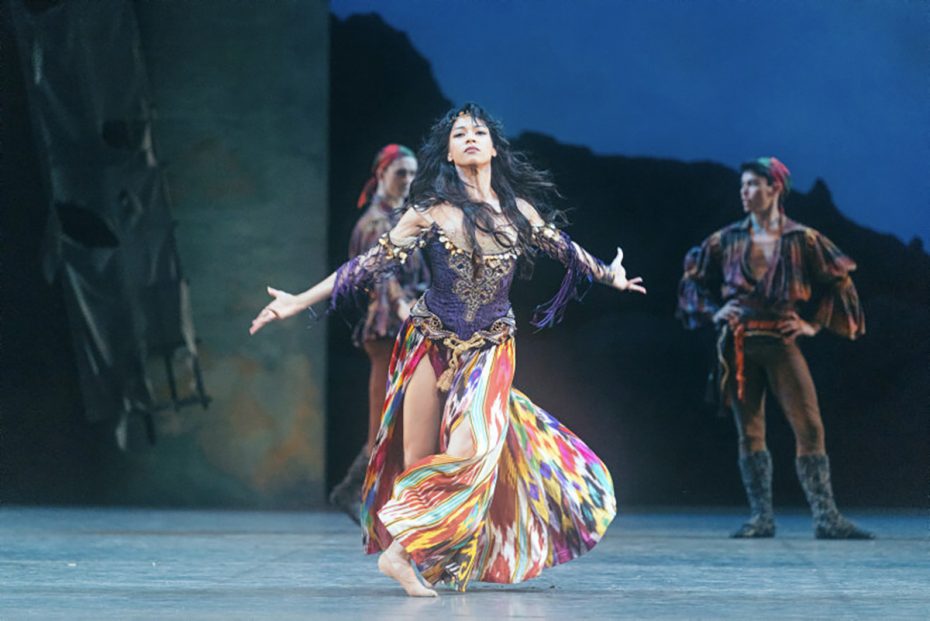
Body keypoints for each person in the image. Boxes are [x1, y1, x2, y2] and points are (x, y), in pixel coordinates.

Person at [250, 103, 645, 596]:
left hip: (489, 349)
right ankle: (423, 559)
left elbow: (563, 247)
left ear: (494, 147)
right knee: (417, 460)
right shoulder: (429, 212)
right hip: (428, 343)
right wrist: (297, 301)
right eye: (461, 134)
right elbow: (366, 266)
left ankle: (398, 555)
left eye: (480, 131)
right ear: (451, 152)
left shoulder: (518, 212)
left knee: (472, 450)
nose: (471, 138)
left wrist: (609, 274)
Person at [677, 156, 872, 540]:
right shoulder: (728, 238)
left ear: (775, 188)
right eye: (742, 186)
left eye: (752, 185)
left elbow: (840, 281)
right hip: (739, 344)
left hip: (781, 343)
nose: (744, 192)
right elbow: (692, 277)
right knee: (749, 432)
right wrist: (717, 311)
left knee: (810, 426)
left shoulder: (802, 239)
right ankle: (761, 517)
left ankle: (826, 516)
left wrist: (811, 323)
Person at [328, 144, 430, 524]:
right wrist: (402, 305)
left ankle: (360, 492)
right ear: (381, 174)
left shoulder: (400, 217)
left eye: (412, 173)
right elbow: (379, 272)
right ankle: (356, 492)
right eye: (401, 172)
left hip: (404, 324)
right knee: (387, 420)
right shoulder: (375, 223)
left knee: (401, 417)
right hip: (388, 327)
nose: (407, 180)